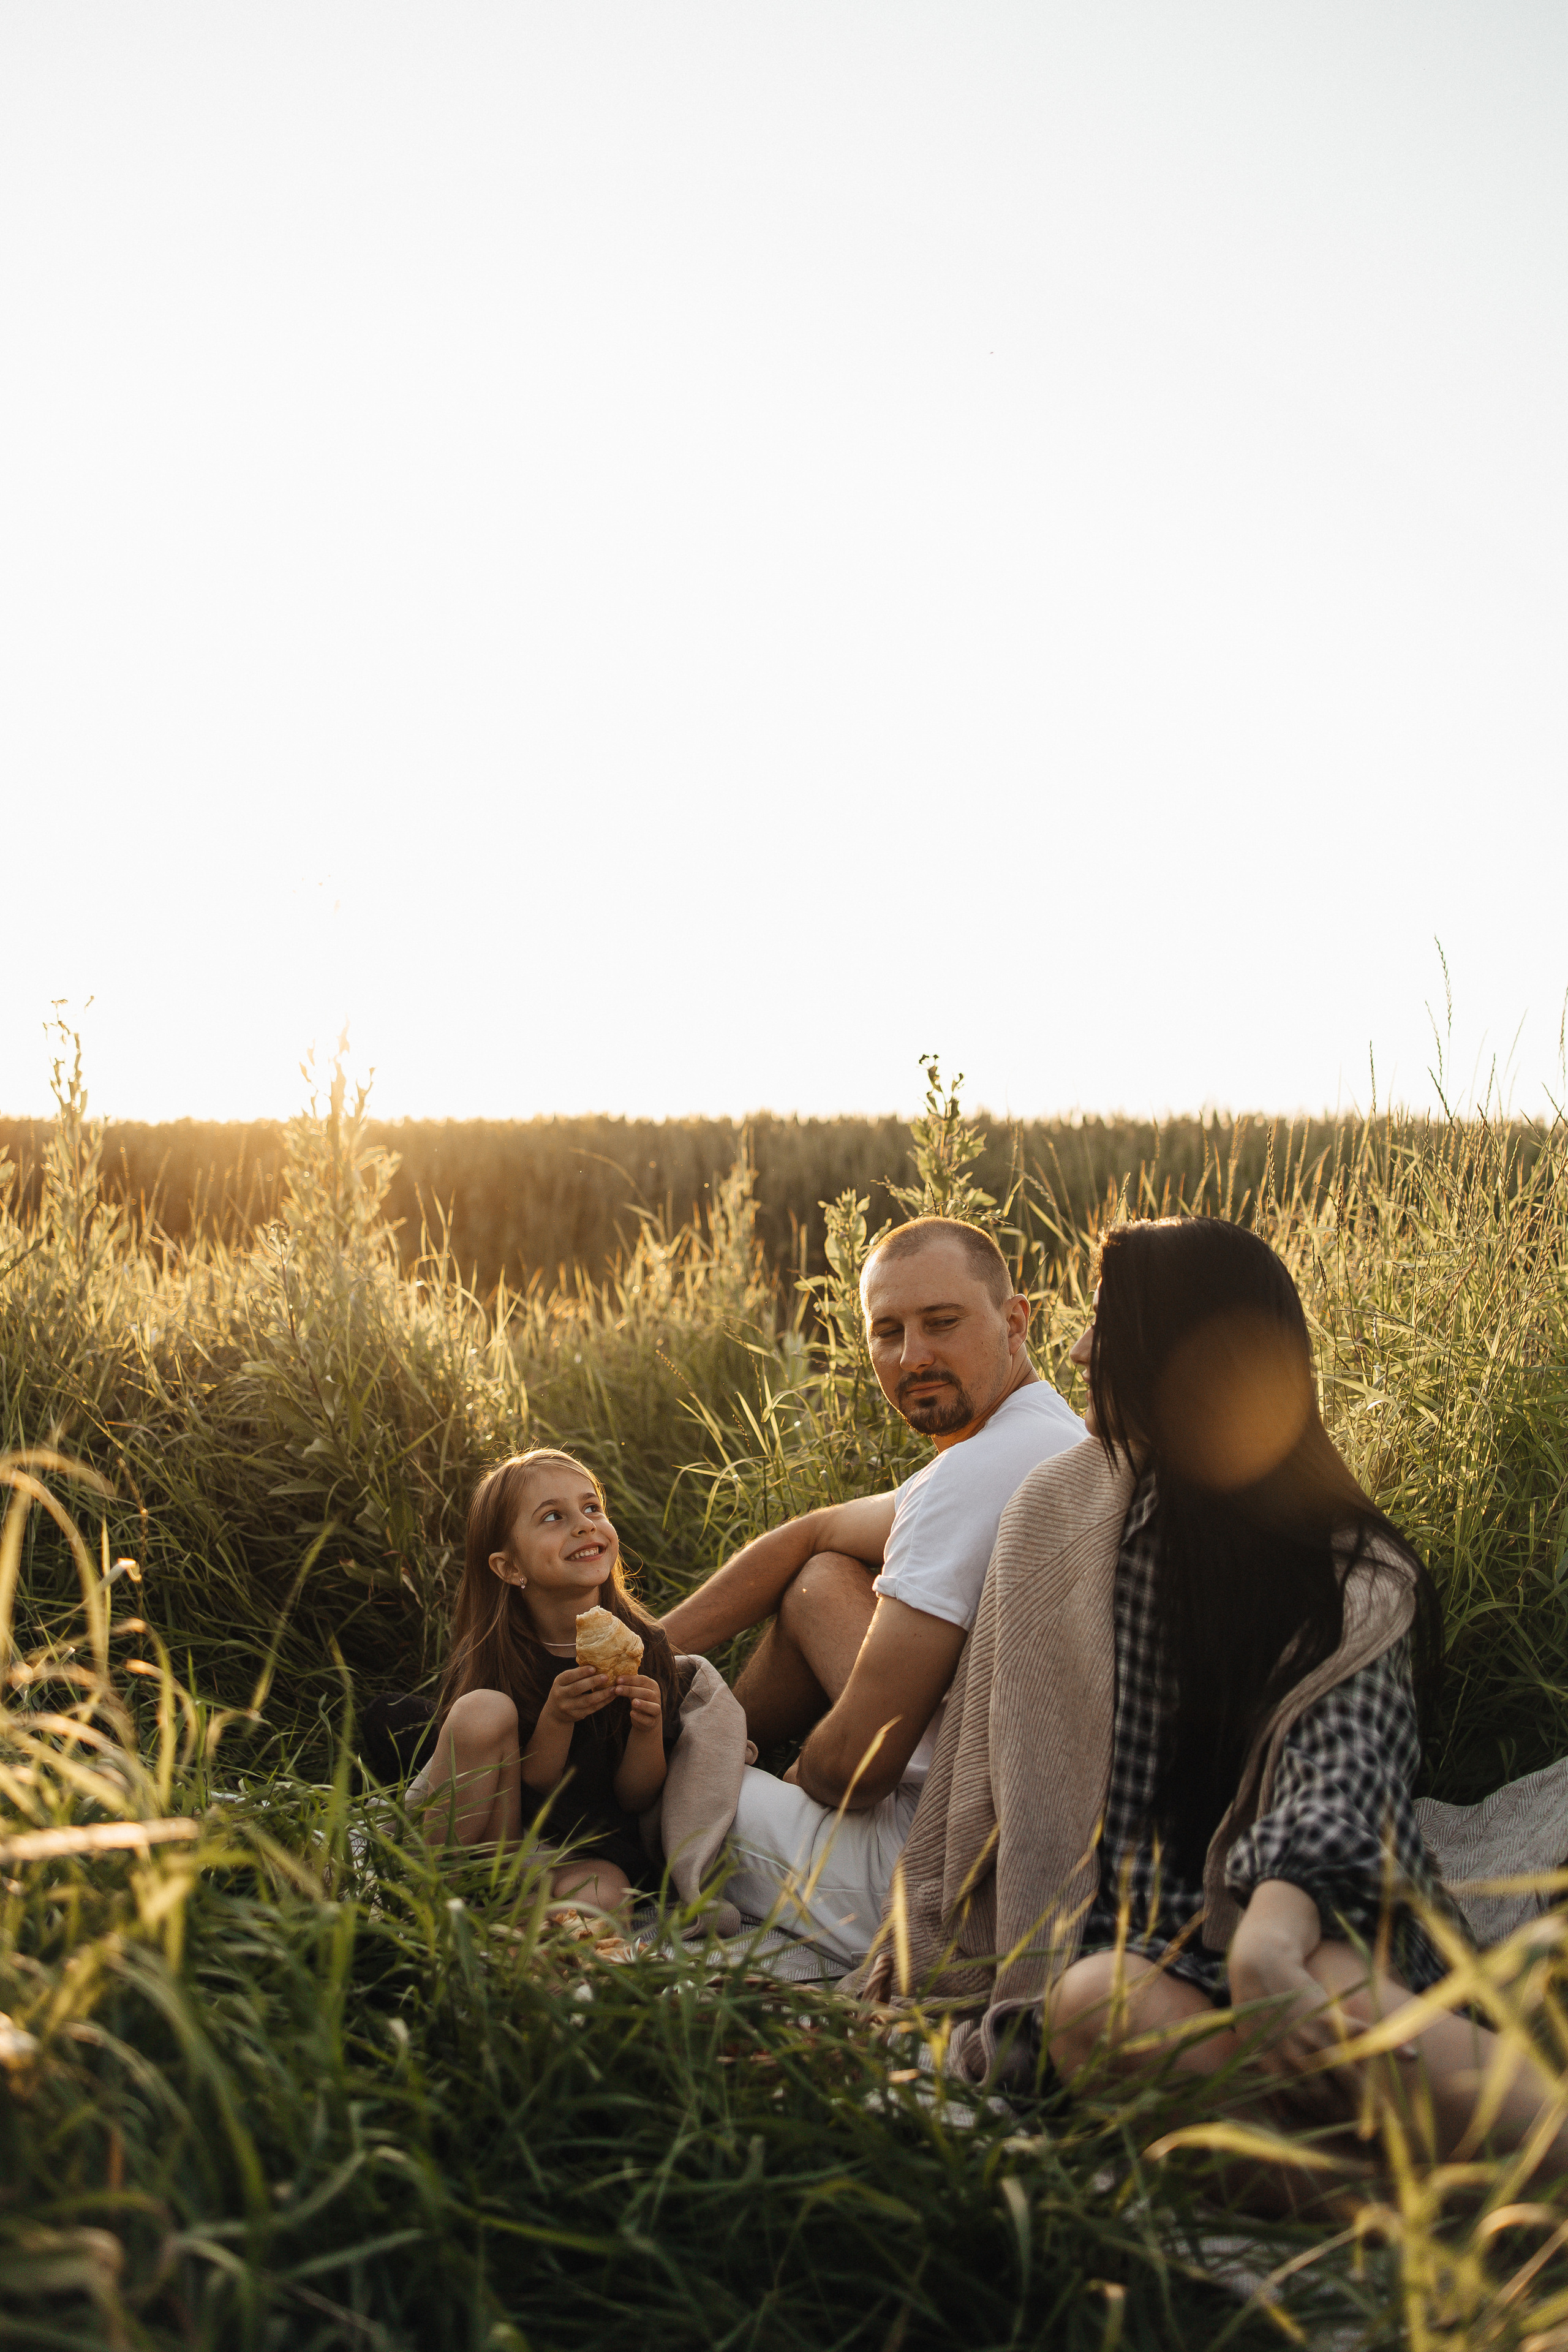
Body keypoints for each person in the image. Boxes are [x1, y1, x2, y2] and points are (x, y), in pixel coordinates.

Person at [852, 1217, 1568, 2178]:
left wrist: (1269, 1937)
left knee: (1329, 1986)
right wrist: (923, 1946)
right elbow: (992, 1764)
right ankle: (1421, 2214)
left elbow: (1344, 1770)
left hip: (1301, 1915)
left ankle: (1523, 2160)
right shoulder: (1059, 1513)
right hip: (1131, 1953)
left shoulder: (1354, 1569)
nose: (1074, 1351)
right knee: (1086, 2006)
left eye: (1105, 1327)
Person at [659, 1215, 1082, 1964]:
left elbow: (852, 1771)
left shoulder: (974, 1478)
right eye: (886, 1331)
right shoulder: (1044, 1434)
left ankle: (633, 1776)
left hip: (939, 1879)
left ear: (1015, 1320)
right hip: (1017, 1822)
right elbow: (813, 1534)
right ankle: (702, 1724)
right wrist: (647, 1651)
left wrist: (797, 1773)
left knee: (664, 1779)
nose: (913, 1356)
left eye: (942, 1323)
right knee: (821, 1582)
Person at [412, 1448, 684, 1918]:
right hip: (498, 1837)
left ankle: (491, 1925)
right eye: (554, 1517)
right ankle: (424, 1892)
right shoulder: (496, 1653)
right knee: (482, 1710)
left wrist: (647, 1727)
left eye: (592, 1507)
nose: (584, 1524)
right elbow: (530, 1782)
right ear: (510, 1568)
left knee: (605, 1893)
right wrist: (557, 1720)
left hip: (584, 1852)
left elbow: (637, 1798)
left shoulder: (643, 1647)